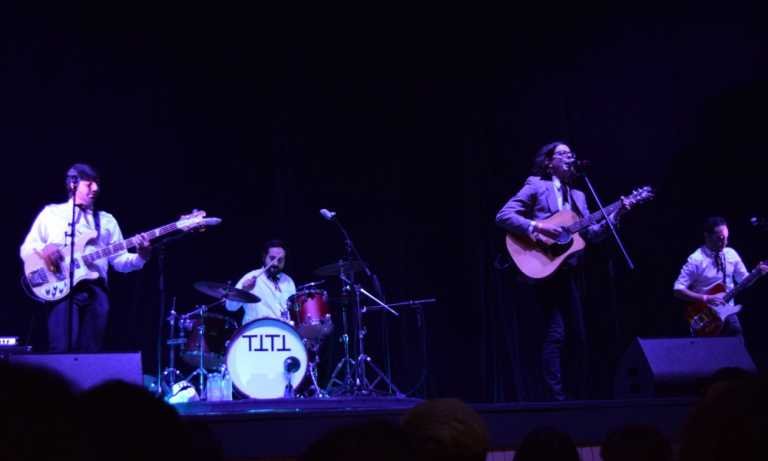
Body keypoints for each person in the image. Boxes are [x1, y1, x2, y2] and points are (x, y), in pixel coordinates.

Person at [495, 141, 629, 401]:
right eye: (563, 154)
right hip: (541, 268)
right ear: (549, 162)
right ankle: (555, 398)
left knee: (578, 336)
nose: (570, 158)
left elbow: (591, 234)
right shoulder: (536, 185)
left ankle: (577, 395)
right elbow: (503, 216)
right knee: (555, 334)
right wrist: (539, 227)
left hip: (568, 272)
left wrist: (616, 214)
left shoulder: (578, 195)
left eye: (571, 154)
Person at [20, 163, 151, 352]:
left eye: (97, 183)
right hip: (61, 289)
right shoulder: (52, 214)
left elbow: (120, 262)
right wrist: (44, 248)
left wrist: (141, 257)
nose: (96, 189)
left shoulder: (106, 220)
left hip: (96, 290)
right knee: (61, 349)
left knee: (91, 351)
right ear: (73, 184)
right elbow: (27, 248)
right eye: (89, 184)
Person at [673, 216, 768, 336]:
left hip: (728, 311)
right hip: (705, 314)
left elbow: (744, 281)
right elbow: (678, 289)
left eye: (726, 238)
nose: (724, 242)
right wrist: (706, 298)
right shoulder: (696, 259)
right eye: (720, 238)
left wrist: (757, 273)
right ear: (707, 236)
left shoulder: (731, 254)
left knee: (736, 338)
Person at [225, 239, 296, 325]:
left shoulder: (288, 281)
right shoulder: (251, 277)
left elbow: (293, 312)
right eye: (272, 258)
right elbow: (230, 307)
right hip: (256, 332)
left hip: (282, 332)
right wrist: (244, 290)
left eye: (280, 260)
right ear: (264, 257)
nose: (276, 264)